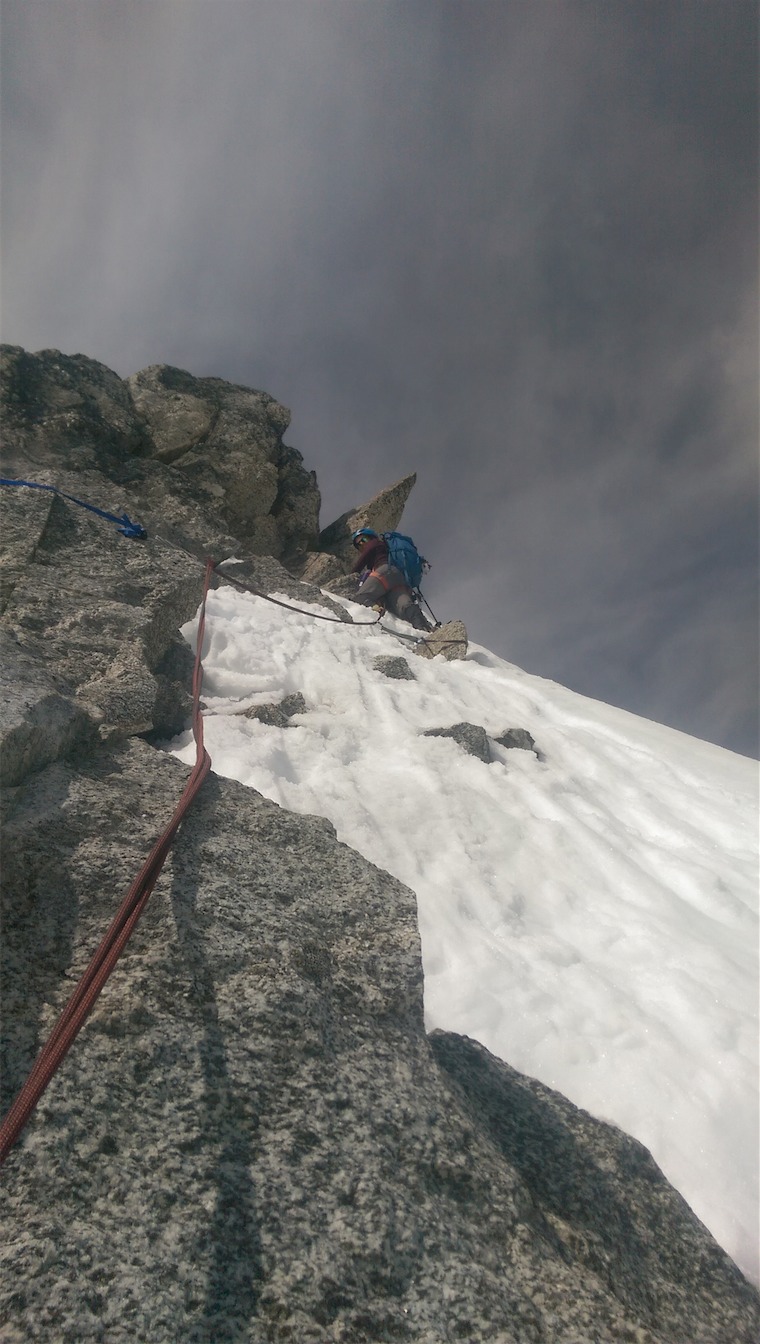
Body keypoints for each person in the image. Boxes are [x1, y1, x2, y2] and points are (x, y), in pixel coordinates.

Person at [350, 528, 431, 631]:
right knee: (404, 606)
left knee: (361, 597)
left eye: (363, 539)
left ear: (371, 538)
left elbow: (362, 561)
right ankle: (423, 626)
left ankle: (375, 608)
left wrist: (353, 573)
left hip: (384, 572)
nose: (362, 544)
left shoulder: (374, 543)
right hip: (398, 578)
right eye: (358, 544)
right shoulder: (384, 548)